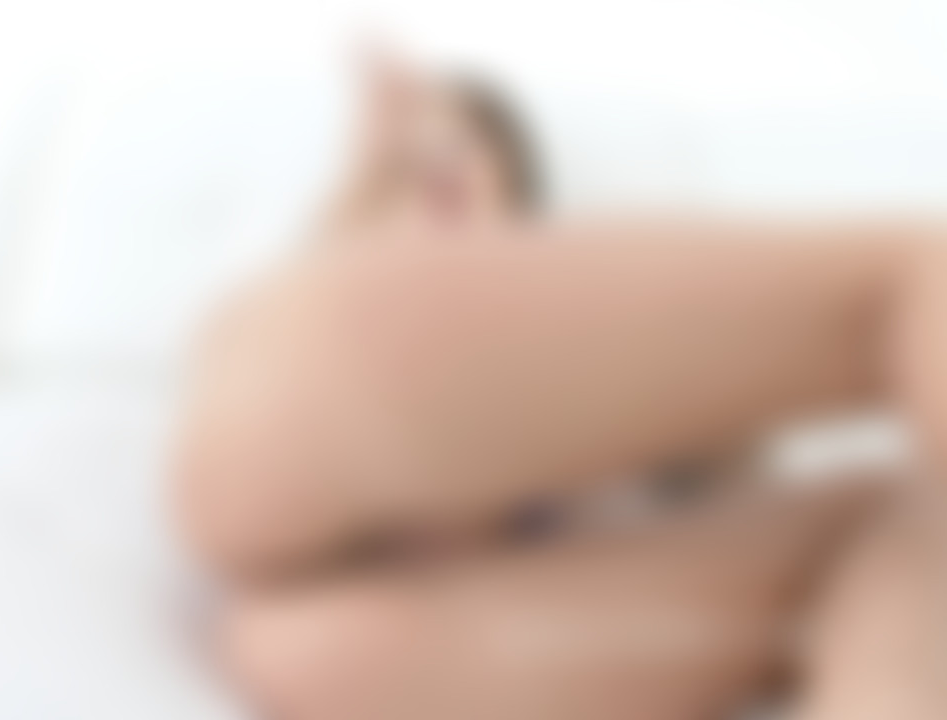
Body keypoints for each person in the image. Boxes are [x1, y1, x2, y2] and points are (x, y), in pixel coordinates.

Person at [173, 56, 947, 720]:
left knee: (906, 521)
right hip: (311, 451)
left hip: (353, 643)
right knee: (917, 277)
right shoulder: (368, 263)